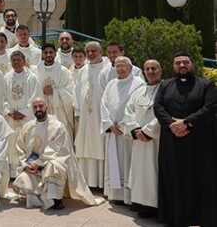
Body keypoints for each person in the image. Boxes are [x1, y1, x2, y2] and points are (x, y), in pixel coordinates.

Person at [154, 52, 217, 226]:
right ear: (173, 66)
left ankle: (201, 217)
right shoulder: (165, 85)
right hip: (172, 140)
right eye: (178, 63)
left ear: (192, 64)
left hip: (199, 142)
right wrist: (172, 124)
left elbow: (210, 107)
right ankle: (174, 217)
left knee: (200, 179)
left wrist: (187, 123)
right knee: (173, 178)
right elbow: (158, 106)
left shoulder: (206, 84)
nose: (182, 65)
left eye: (185, 62)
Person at [12, 98, 100, 210]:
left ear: (47, 107)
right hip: (32, 166)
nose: (38, 109)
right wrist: (26, 165)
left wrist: (39, 163)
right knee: (23, 179)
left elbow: (58, 150)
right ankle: (41, 197)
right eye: (35, 107)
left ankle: (55, 199)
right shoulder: (27, 127)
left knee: (54, 166)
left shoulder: (58, 126)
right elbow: (20, 148)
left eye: (41, 106)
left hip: (49, 163)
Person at [101, 56, 144, 205]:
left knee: (128, 163)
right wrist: (109, 124)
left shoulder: (139, 83)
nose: (120, 68)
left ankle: (130, 197)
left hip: (127, 133)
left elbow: (137, 107)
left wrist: (125, 125)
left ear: (131, 68)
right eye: (117, 66)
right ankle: (116, 195)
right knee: (114, 162)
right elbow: (103, 105)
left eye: (123, 65)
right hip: (113, 131)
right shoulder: (111, 84)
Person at [122, 59, 162, 218]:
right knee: (140, 173)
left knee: (155, 171)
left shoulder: (165, 90)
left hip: (157, 141)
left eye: (154, 68)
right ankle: (142, 204)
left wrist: (148, 131)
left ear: (160, 70)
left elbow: (165, 113)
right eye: (148, 69)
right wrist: (136, 130)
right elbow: (128, 111)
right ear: (143, 72)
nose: (151, 71)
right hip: (139, 141)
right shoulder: (139, 91)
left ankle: (157, 206)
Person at [74, 41, 108, 188]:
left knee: (100, 146)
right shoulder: (83, 70)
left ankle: (101, 182)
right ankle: (87, 180)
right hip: (85, 117)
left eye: (94, 51)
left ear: (101, 52)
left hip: (100, 116)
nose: (90, 54)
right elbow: (77, 91)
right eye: (88, 51)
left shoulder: (107, 68)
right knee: (84, 145)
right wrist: (78, 111)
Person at [3, 51, 40, 177]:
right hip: (12, 118)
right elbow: (3, 98)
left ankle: (27, 172)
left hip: (26, 119)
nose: (16, 62)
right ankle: (13, 173)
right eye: (14, 60)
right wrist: (9, 112)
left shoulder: (32, 77)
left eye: (19, 60)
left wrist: (23, 112)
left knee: (27, 143)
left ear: (24, 61)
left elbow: (35, 97)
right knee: (12, 144)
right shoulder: (7, 78)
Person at [35, 43, 76, 136]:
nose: (48, 55)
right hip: (41, 109)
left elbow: (70, 91)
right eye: (46, 52)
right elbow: (32, 90)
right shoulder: (36, 70)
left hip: (60, 111)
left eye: (51, 52)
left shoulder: (64, 71)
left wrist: (55, 92)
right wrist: (42, 91)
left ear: (55, 54)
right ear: (42, 54)